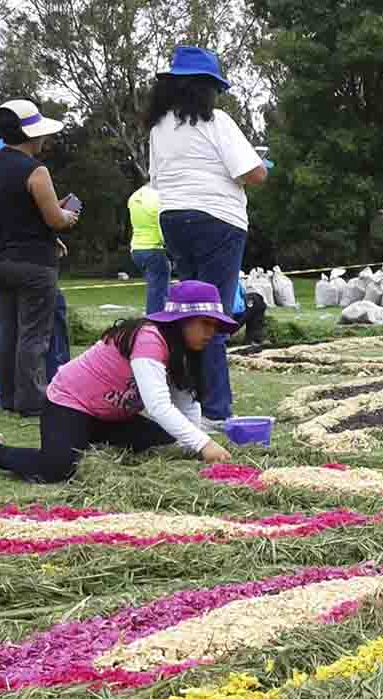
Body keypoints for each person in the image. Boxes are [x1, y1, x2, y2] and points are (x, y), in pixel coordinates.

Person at [0, 280, 234, 482]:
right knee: (56, 469)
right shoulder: (149, 339)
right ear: (181, 322)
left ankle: (87, 441)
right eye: (205, 323)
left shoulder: (183, 351)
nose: (211, 332)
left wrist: (196, 443)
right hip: (69, 404)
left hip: (109, 416)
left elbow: (185, 400)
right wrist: (204, 445)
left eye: (214, 325)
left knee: (169, 441)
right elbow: (158, 406)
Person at [148, 45, 267, 429]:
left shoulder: (159, 127)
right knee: (212, 316)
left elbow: (157, 178)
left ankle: (186, 401)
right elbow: (254, 173)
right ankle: (216, 410)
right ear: (207, 89)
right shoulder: (217, 122)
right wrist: (263, 163)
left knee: (188, 313)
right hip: (218, 220)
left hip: (173, 217)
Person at [0, 99, 79, 416]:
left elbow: (15, 214)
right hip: (34, 264)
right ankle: (31, 401)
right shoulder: (35, 170)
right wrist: (68, 216)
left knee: (7, 331)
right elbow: (54, 218)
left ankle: (7, 397)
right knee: (34, 334)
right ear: (31, 134)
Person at [127, 183, 171, 313]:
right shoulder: (157, 198)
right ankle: (155, 325)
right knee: (158, 293)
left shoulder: (134, 197)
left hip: (137, 249)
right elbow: (160, 226)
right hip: (154, 249)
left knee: (156, 289)